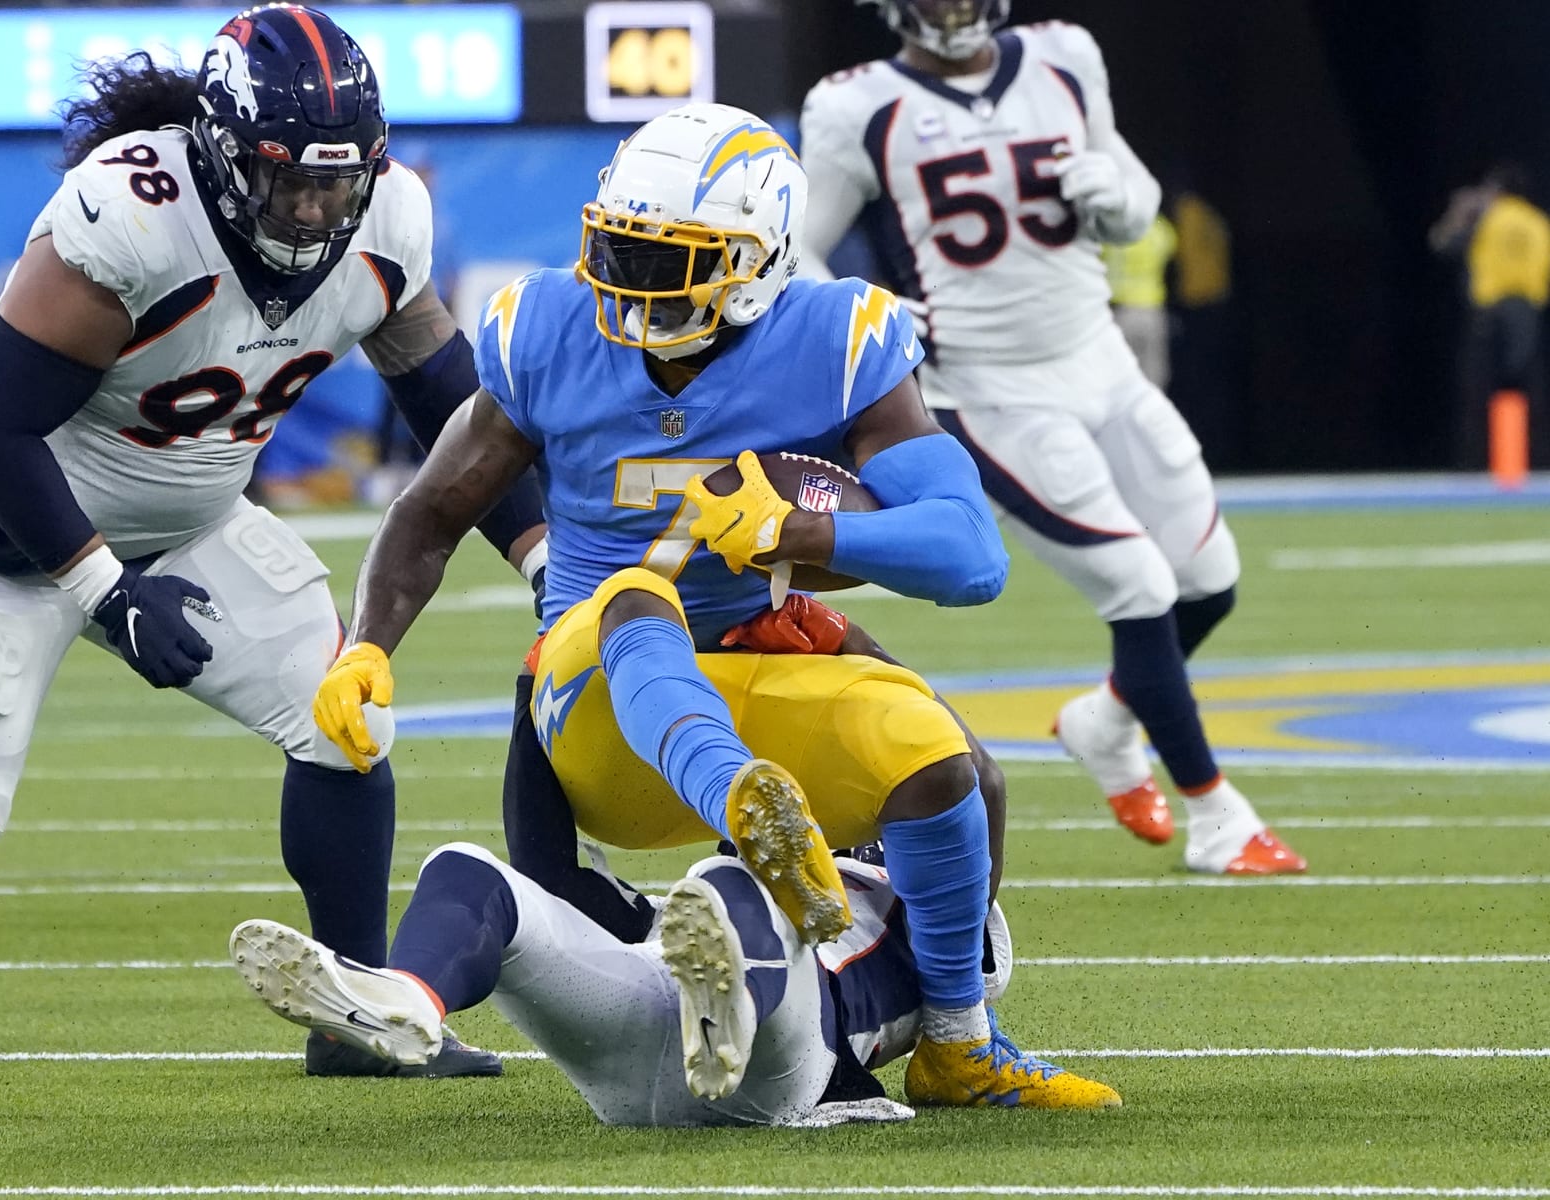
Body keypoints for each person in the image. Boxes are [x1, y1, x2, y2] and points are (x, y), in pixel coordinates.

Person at [0, 3, 549, 1081]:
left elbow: (457, 416)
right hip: (2, 519)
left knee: (343, 716)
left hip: (191, 515)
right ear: (221, 159)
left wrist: (547, 557)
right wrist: (107, 592)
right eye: (289, 181)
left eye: (339, 182)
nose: (317, 210)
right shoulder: (130, 216)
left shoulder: (384, 223)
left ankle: (355, 1014)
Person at [307, 100, 1118, 1108]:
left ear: (763, 261)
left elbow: (971, 556)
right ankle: (744, 800)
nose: (633, 283)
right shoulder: (550, 324)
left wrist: (805, 533)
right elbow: (429, 514)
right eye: (623, 249)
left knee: (939, 762)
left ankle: (958, 1039)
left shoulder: (834, 336)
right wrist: (368, 647)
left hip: (749, 652)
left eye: (673, 259)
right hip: (596, 693)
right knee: (632, 596)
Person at [797, 0, 1305, 875]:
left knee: (1208, 580)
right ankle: (1218, 816)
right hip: (989, 391)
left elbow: (1136, 194)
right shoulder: (856, 105)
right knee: (1140, 584)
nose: (954, 12)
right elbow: (799, 249)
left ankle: (1104, 725)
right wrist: (860, 307)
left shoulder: (1065, 56)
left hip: (1102, 360)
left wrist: (1121, 198)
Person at [231, 842, 1041, 1124]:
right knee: (475, 874)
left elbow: (961, 814)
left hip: (789, 1065)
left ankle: (729, 1011)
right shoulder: (711, 893)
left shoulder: (940, 911)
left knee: (731, 885)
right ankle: (412, 996)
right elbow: (555, 867)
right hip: (647, 1031)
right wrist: (541, 674)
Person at [1428, 164, 1550, 471]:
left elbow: (1441, 244)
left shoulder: (1486, 219)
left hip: (1490, 314)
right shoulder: (1539, 223)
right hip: (1528, 314)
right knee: (1532, 395)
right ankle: (1534, 465)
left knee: (1479, 392)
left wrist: (1459, 212)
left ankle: (1476, 466)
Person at [1102, 211, 1177, 391]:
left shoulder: (1112, 230)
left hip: (1120, 311)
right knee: (1153, 378)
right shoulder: (1161, 228)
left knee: (1116, 378)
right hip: (1152, 310)